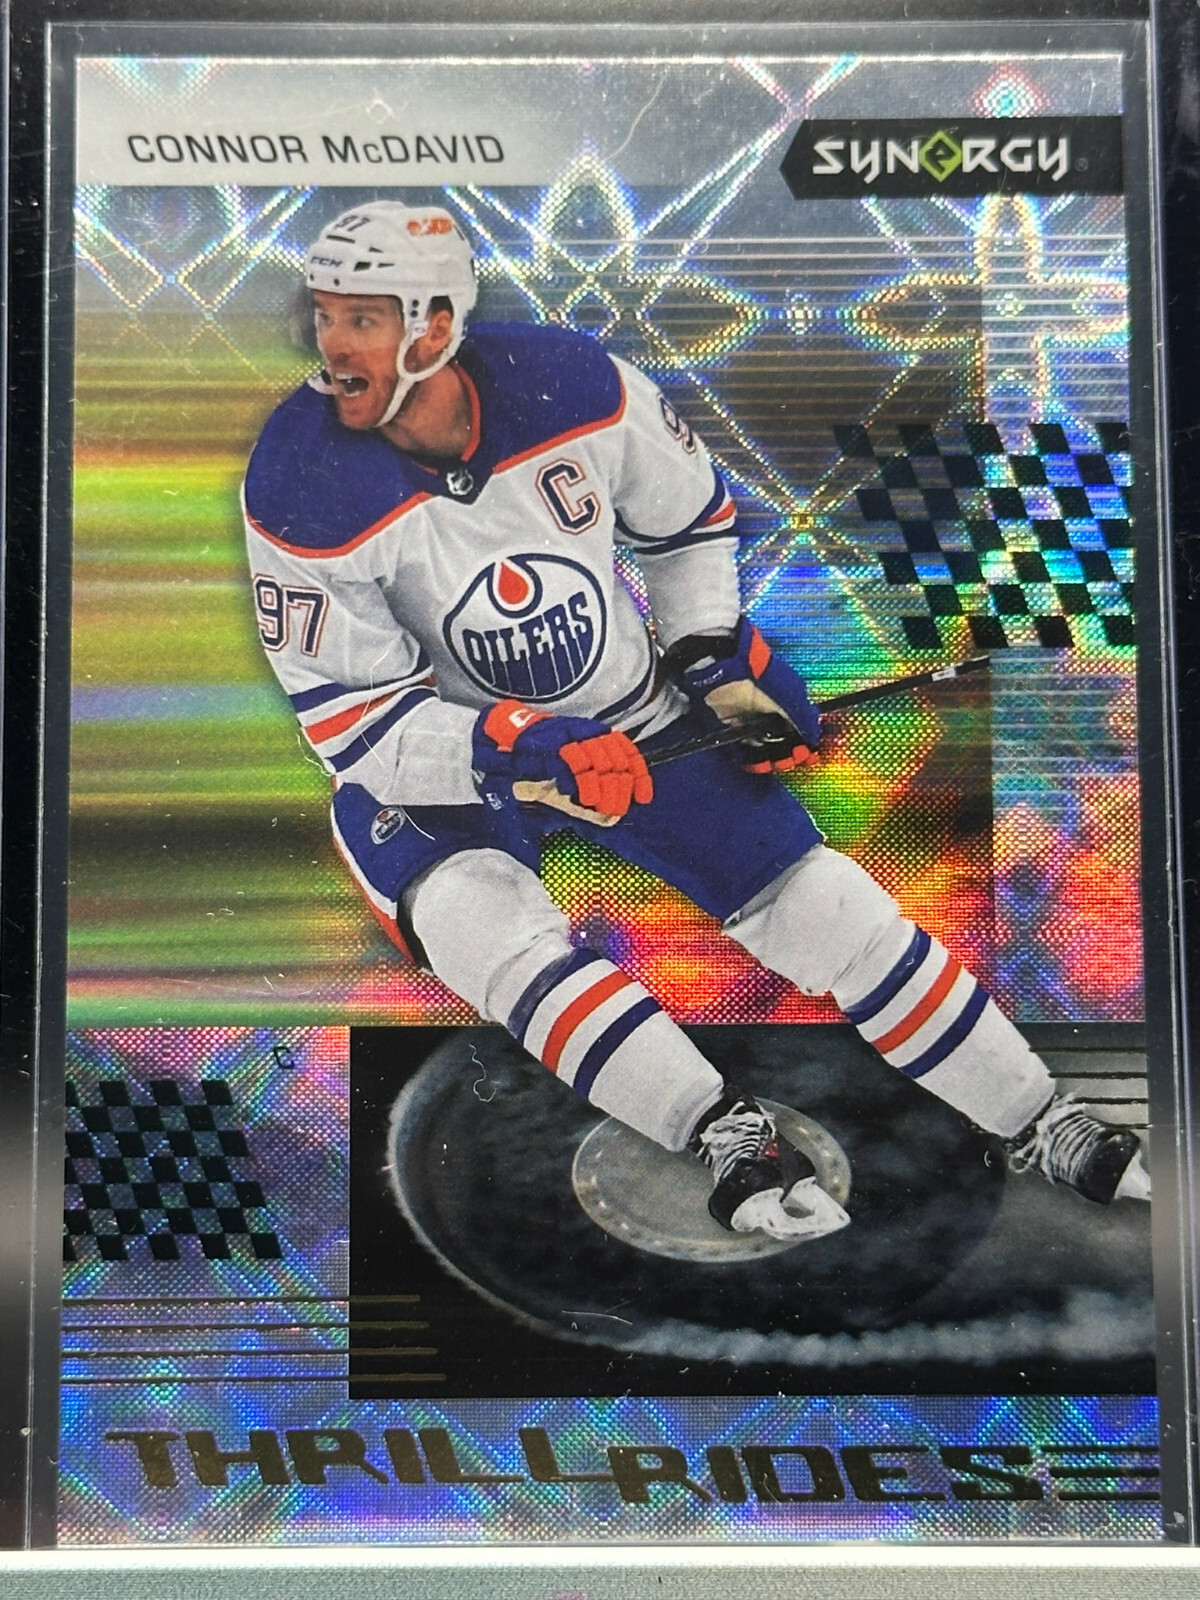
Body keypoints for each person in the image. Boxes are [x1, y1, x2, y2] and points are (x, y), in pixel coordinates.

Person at [243, 201, 1149, 1243]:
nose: (332, 344)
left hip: (629, 713)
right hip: (448, 765)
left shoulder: (575, 385)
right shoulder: (298, 479)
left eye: (362, 319)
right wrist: (514, 746)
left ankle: (1042, 1119)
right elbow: (354, 726)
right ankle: (724, 1133)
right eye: (325, 314)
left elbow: (687, 525)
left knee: (823, 911)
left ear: (436, 326)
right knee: (482, 933)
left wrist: (713, 656)